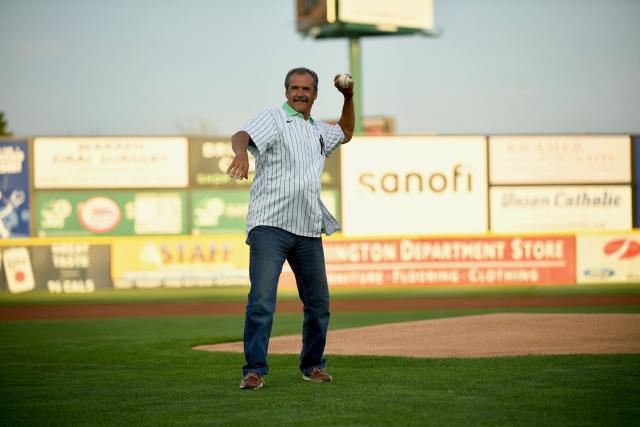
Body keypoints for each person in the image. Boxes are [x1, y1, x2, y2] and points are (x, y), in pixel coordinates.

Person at [226, 67, 354, 390]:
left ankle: (312, 365)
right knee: (262, 300)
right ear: (286, 92)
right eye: (294, 87)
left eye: (306, 88)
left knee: (319, 303)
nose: (300, 92)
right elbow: (241, 135)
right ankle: (254, 370)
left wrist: (349, 97)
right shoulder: (274, 118)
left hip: (308, 228)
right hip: (270, 225)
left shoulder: (319, 132)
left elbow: (347, 132)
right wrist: (241, 152)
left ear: (315, 94)